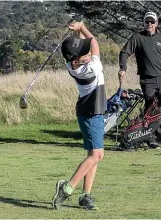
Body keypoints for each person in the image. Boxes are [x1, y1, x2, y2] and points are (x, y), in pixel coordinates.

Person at [52, 21, 106, 210]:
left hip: (92, 112)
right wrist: (82, 27)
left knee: (93, 154)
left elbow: (87, 45)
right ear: (76, 59)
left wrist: (78, 31)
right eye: (85, 53)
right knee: (98, 155)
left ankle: (86, 196)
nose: (89, 53)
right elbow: (94, 43)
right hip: (91, 114)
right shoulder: (90, 68)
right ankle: (66, 188)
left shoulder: (73, 64)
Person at [118, 11, 161, 149]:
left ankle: (156, 136)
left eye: (152, 22)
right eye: (147, 22)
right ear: (144, 23)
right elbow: (124, 52)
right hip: (147, 80)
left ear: (156, 23)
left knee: (160, 109)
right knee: (151, 108)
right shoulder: (137, 37)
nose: (149, 24)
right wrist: (123, 68)